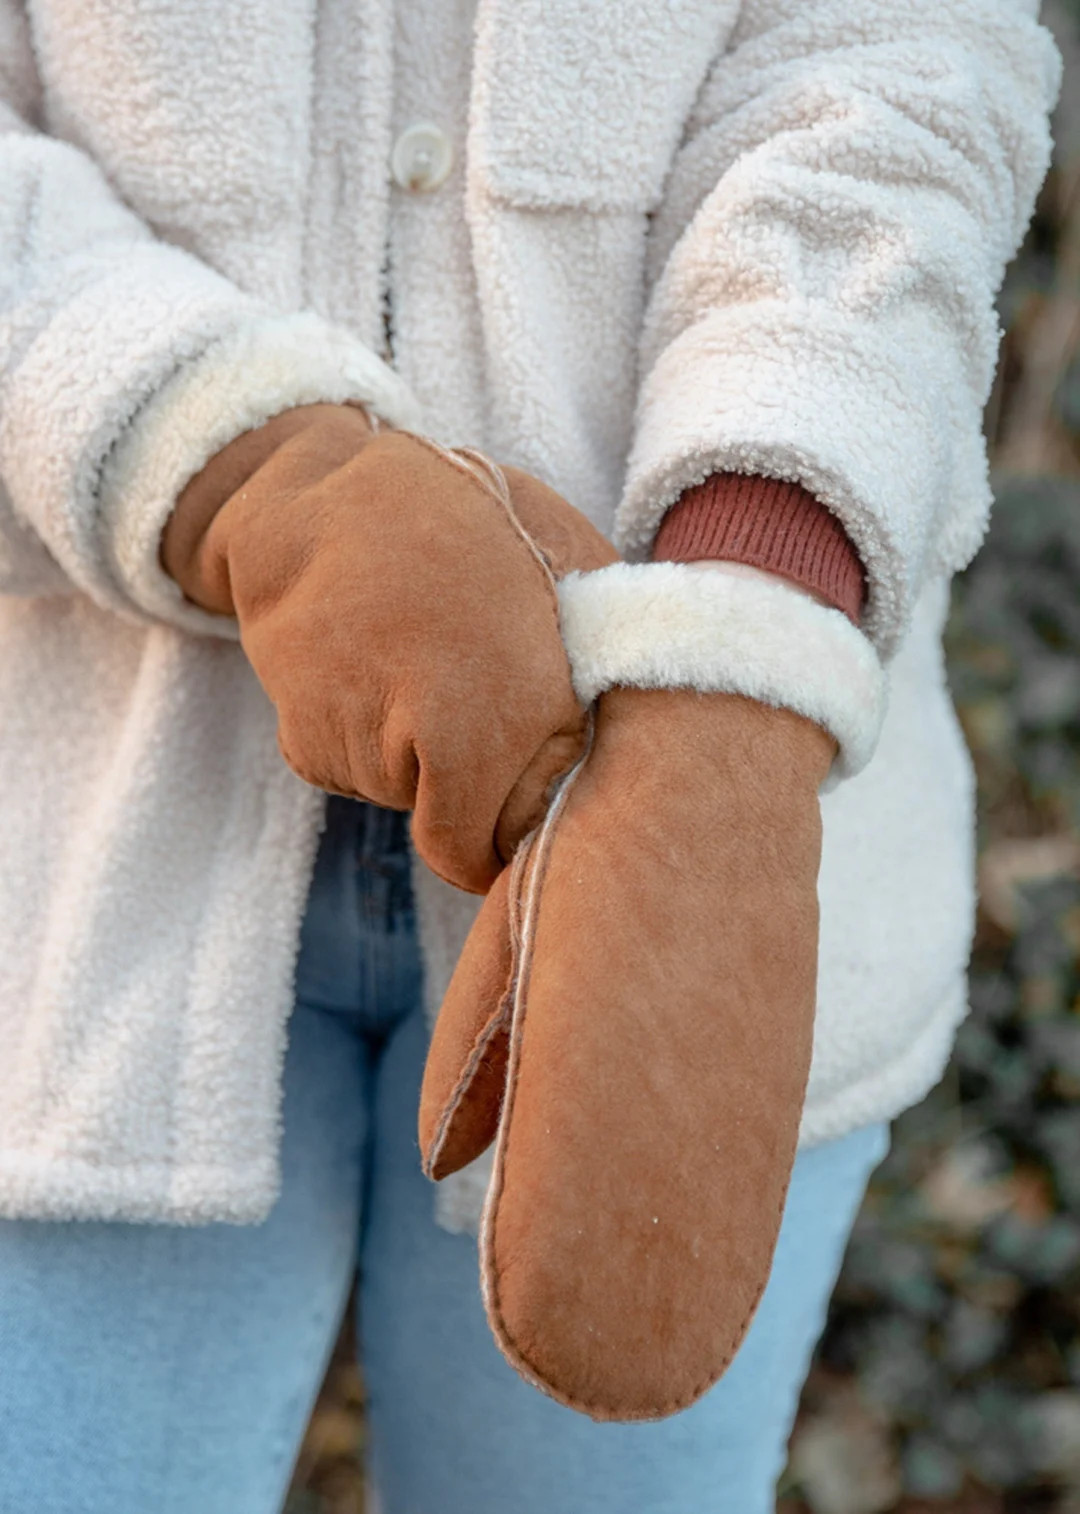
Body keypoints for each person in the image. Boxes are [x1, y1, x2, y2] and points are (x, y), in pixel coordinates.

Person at [0, 0, 1061, 1509]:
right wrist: (243, 470)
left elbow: (897, 68)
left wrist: (737, 654)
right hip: (73, 876)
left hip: (693, 846)